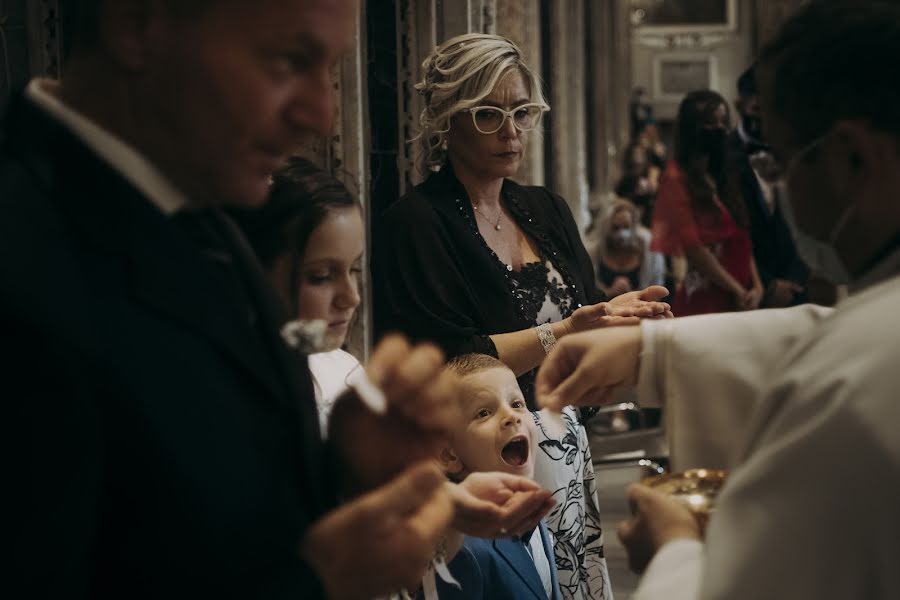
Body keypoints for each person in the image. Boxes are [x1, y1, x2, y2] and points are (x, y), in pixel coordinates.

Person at [2, 2, 551, 598]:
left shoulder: (198, 209)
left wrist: (349, 474)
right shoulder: (25, 248)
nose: (320, 114)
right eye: (288, 61)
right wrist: (321, 580)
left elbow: (178, 499)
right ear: (138, 24)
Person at [535, 3, 900, 598]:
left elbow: (744, 586)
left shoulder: (858, 390)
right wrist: (654, 352)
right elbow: (834, 336)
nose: (780, 191)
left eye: (782, 164)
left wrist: (678, 550)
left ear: (853, 156)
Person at [373, 32, 670, 600]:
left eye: (521, 111)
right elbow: (449, 357)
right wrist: (564, 331)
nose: (510, 130)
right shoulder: (415, 224)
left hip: (562, 439)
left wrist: (617, 324)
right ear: (447, 120)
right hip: (478, 457)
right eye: (488, 114)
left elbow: (585, 311)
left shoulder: (545, 208)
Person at [231, 157, 363, 431]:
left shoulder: (345, 372)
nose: (351, 298)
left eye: (354, 269)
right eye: (321, 277)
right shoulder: (229, 397)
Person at [433, 354, 563, 600]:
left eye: (517, 404)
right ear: (449, 455)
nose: (512, 416)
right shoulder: (463, 552)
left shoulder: (531, 510)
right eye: (483, 413)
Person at [651, 89, 764, 315]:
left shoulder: (722, 173)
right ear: (694, 129)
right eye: (712, 123)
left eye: (724, 122)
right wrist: (738, 290)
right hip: (708, 297)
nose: (720, 130)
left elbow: (740, 236)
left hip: (742, 293)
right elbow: (693, 248)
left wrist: (757, 286)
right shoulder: (675, 177)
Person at [728, 64, 809, 307]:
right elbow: (724, 232)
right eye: (757, 109)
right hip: (749, 292)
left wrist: (795, 280)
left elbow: (808, 219)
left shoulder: (799, 149)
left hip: (796, 289)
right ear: (740, 105)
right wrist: (768, 285)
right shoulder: (723, 156)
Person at [593, 199, 666, 298]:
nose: (621, 233)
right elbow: (589, 295)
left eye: (626, 227)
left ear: (634, 226)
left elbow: (658, 292)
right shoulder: (594, 252)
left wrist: (633, 295)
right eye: (616, 228)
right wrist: (610, 291)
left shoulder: (649, 251)